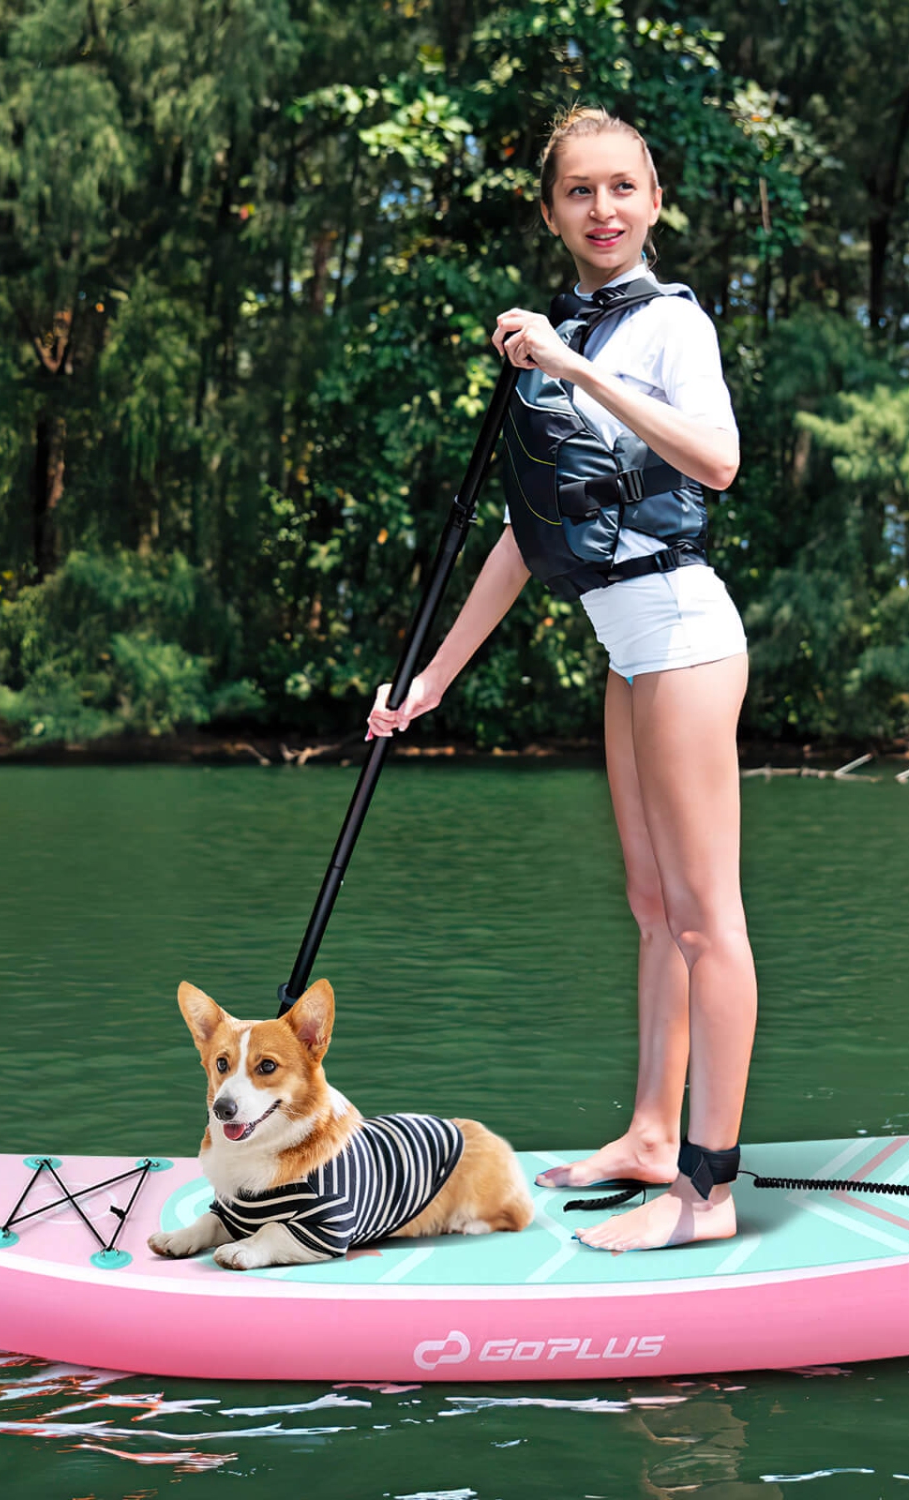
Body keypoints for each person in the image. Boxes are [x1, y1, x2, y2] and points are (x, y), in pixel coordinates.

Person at [367, 106, 756, 1252]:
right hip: (623, 647)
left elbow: (718, 462)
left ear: (654, 201)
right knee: (650, 912)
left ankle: (709, 1194)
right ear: (552, 211)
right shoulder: (560, 337)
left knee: (705, 923)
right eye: (580, 192)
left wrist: (574, 365)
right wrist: (434, 677)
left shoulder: (669, 325)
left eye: (623, 189)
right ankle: (647, 1133)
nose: (604, 210)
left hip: (683, 630)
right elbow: (523, 535)